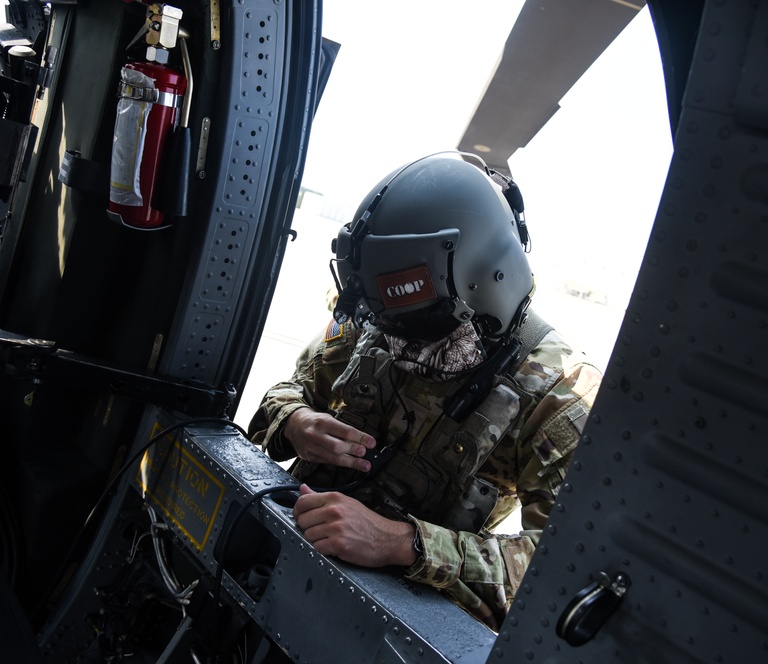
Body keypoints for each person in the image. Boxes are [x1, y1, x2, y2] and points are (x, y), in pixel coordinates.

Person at [248, 153, 602, 630]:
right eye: (385, 325)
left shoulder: (558, 395)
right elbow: (288, 390)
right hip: (284, 562)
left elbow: (564, 571)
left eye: (422, 330)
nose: (397, 346)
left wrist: (401, 543)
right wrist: (295, 421)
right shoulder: (383, 316)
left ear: (488, 288)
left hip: (394, 622)